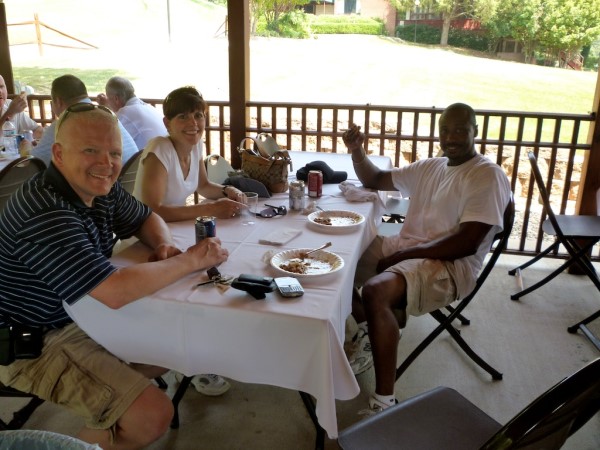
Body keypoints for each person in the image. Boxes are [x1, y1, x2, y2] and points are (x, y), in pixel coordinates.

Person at [0, 104, 229, 449]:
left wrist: (164, 245)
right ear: (59, 154)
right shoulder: (45, 211)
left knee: (174, 342)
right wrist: (191, 260)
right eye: (90, 150)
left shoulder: (97, 187)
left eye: (114, 153)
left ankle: (113, 393)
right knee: (151, 415)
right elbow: (114, 291)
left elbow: (146, 218)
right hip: (34, 338)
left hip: (80, 313)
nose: (105, 163)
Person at [342, 103, 511, 414]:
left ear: (475, 131)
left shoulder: (487, 175)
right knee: (339, 260)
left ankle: (384, 401)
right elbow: (375, 178)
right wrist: (357, 151)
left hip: (450, 266)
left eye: (460, 130)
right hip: (409, 249)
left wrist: (405, 254)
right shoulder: (431, 167)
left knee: (376, 291)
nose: (452, 137)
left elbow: (467, 243)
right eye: (445, 130)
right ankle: (372, 326)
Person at [134, 86, 244, 395]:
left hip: (177, 230)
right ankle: (182, 356)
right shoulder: (159, 150)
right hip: (146, 238)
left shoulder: (196, 146)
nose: (193, 123)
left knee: (219, 268)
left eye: (198, 115)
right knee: (196, 280)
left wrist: (227, 191)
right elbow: (152, 209)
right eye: (183, 116)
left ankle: (202, 346)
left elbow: (204, 186)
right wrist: (210, 209)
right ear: (167, 123)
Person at [32, 74, 138, 166]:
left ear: (58, 101)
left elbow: (34, 163)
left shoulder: (64, 123)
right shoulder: (107, 114)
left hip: (110, 181)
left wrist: (26, 149)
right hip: (131, 178)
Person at [97, 76, 167, 150]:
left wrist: (104, 108)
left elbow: (106, 137)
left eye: (108, 98)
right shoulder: (148, 107)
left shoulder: (124, 114)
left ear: (116, 99)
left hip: (152, 155)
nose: (108, 101)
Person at [0, 74, 43, 139]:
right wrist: (10, 112)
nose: (0, 91)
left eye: (1, 86)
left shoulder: (10, 104)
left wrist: (27, 140)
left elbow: (36, 129)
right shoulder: (12, 108)